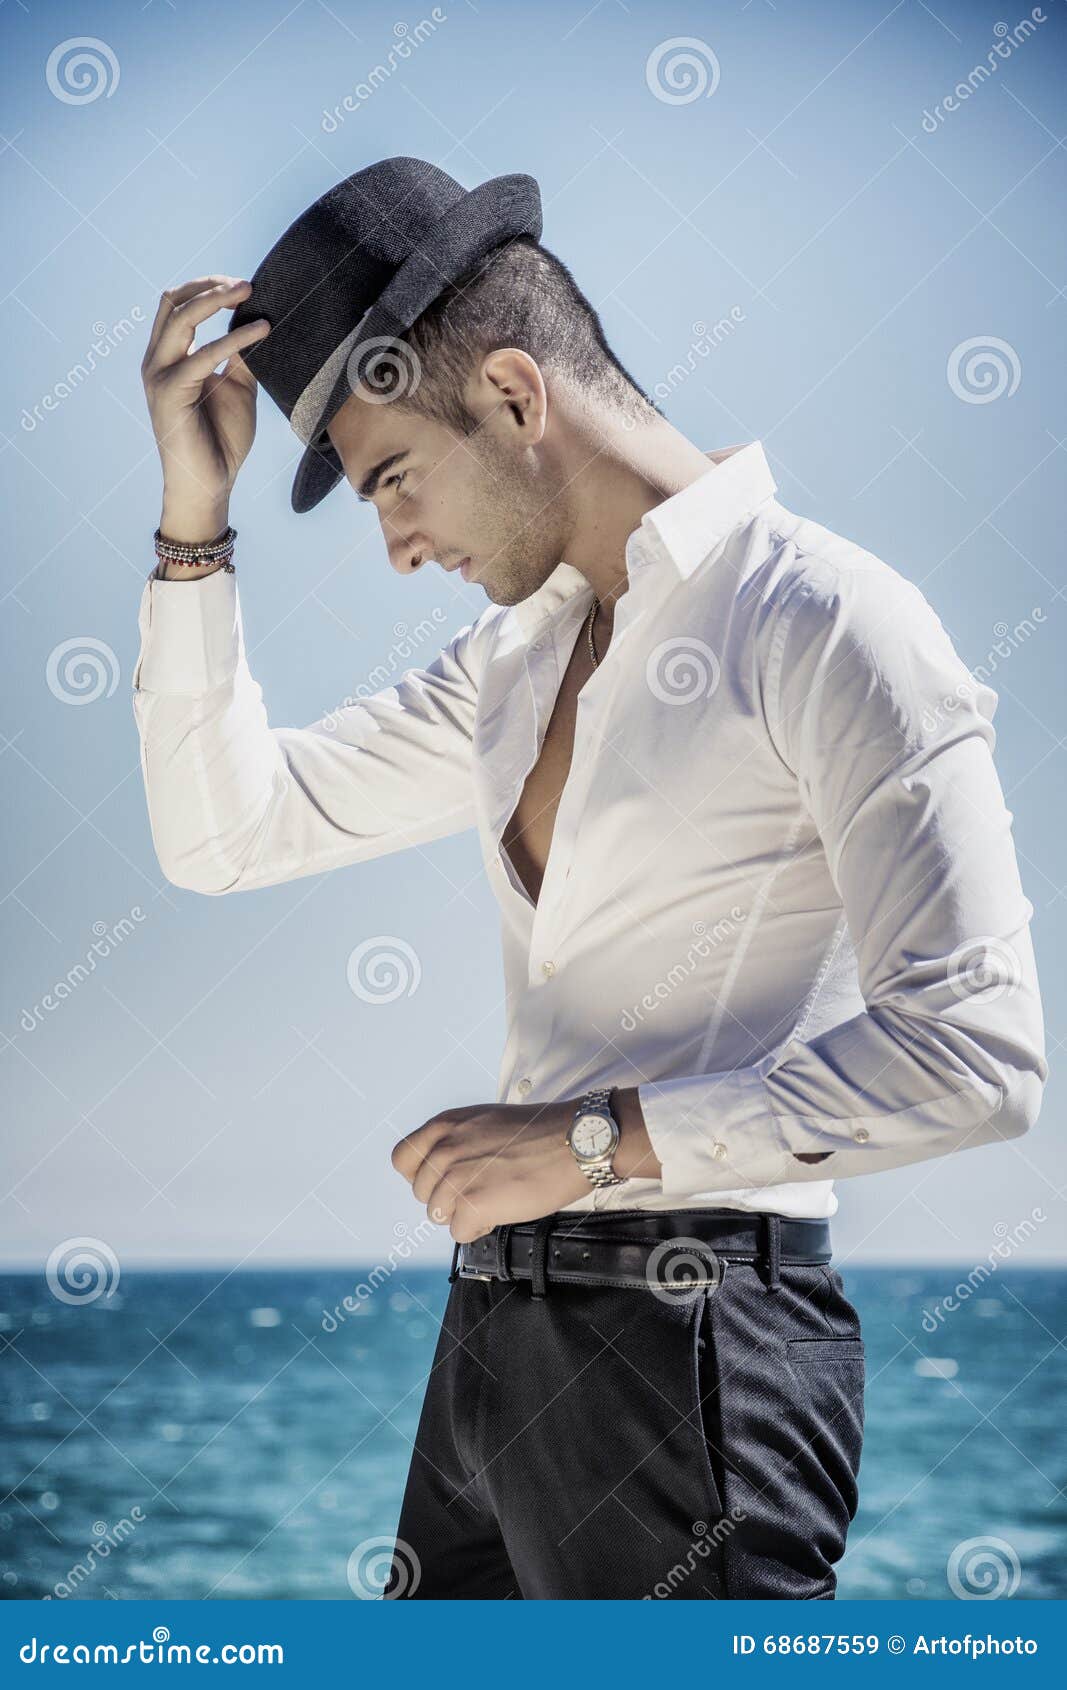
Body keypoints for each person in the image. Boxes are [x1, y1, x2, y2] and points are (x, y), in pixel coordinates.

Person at [134, 157, 1046, 1600]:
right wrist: (196, 519)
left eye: (391, 479)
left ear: (512, 394)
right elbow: (225, 835)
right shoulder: (516, 657)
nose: (398, 543)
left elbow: (980, 1053)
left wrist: (598, 1144)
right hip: (491, 1348)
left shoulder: (830, 623)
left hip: (697, 1351)